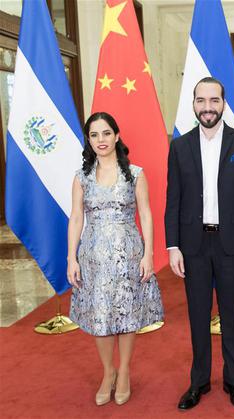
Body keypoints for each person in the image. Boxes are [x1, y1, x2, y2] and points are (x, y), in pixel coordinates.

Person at [165, 77, 234, 411]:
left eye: (214, 100)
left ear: (223, 103)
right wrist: (172, 246)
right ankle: (199, 381)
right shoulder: (179, 147)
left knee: (231, 315)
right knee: (197, 315)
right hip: (192, 245)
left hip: (231, 243)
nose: (208, 107)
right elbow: (173, 200)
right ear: (193, 104)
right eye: (201, 100)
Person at [67, 112, 164, 406]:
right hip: (93, 256)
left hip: (128, 254)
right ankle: (107, 372)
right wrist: (71, 258)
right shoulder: (81, 176)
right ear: (89, 140)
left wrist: (149, 253)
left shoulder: (135, 173)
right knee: (100, 316)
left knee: (126, 313)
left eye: (106, 133)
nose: (101, 140)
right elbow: (76, 218)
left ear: (117, 136)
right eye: (94, 135)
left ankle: (124, 371)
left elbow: (146, 214)